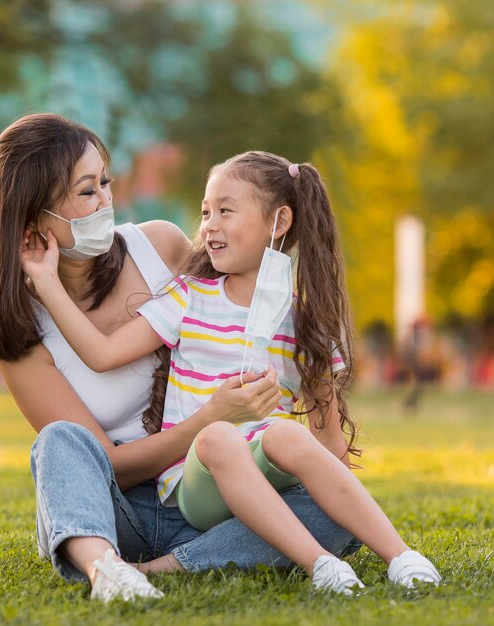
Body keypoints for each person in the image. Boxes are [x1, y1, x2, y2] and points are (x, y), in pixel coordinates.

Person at [0, 113, 362, 603]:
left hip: (217, 497)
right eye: (87, 192)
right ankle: (106, 567)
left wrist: (312, 352)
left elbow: (237, 299)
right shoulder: (18, 327)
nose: (107, 201)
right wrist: (211, 418)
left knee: (338, 511)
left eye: (105, 183)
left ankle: (168, 567)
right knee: (59, 442)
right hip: (119, 510)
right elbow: (108, 466)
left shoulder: (159, 247)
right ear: (33, 217)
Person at [22, 150, 442, 595]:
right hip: (192, 481)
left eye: (225, 211)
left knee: (294, 447)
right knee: (208, 437)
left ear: (278, 223)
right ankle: (126, 567)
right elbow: (102, 353)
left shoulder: (304, 320)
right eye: (205, 213)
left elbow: (329, 443)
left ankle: (401, 557)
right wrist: (46, 283)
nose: (208, 226)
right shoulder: (189, 297)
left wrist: (334, 502)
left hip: (255, 490)